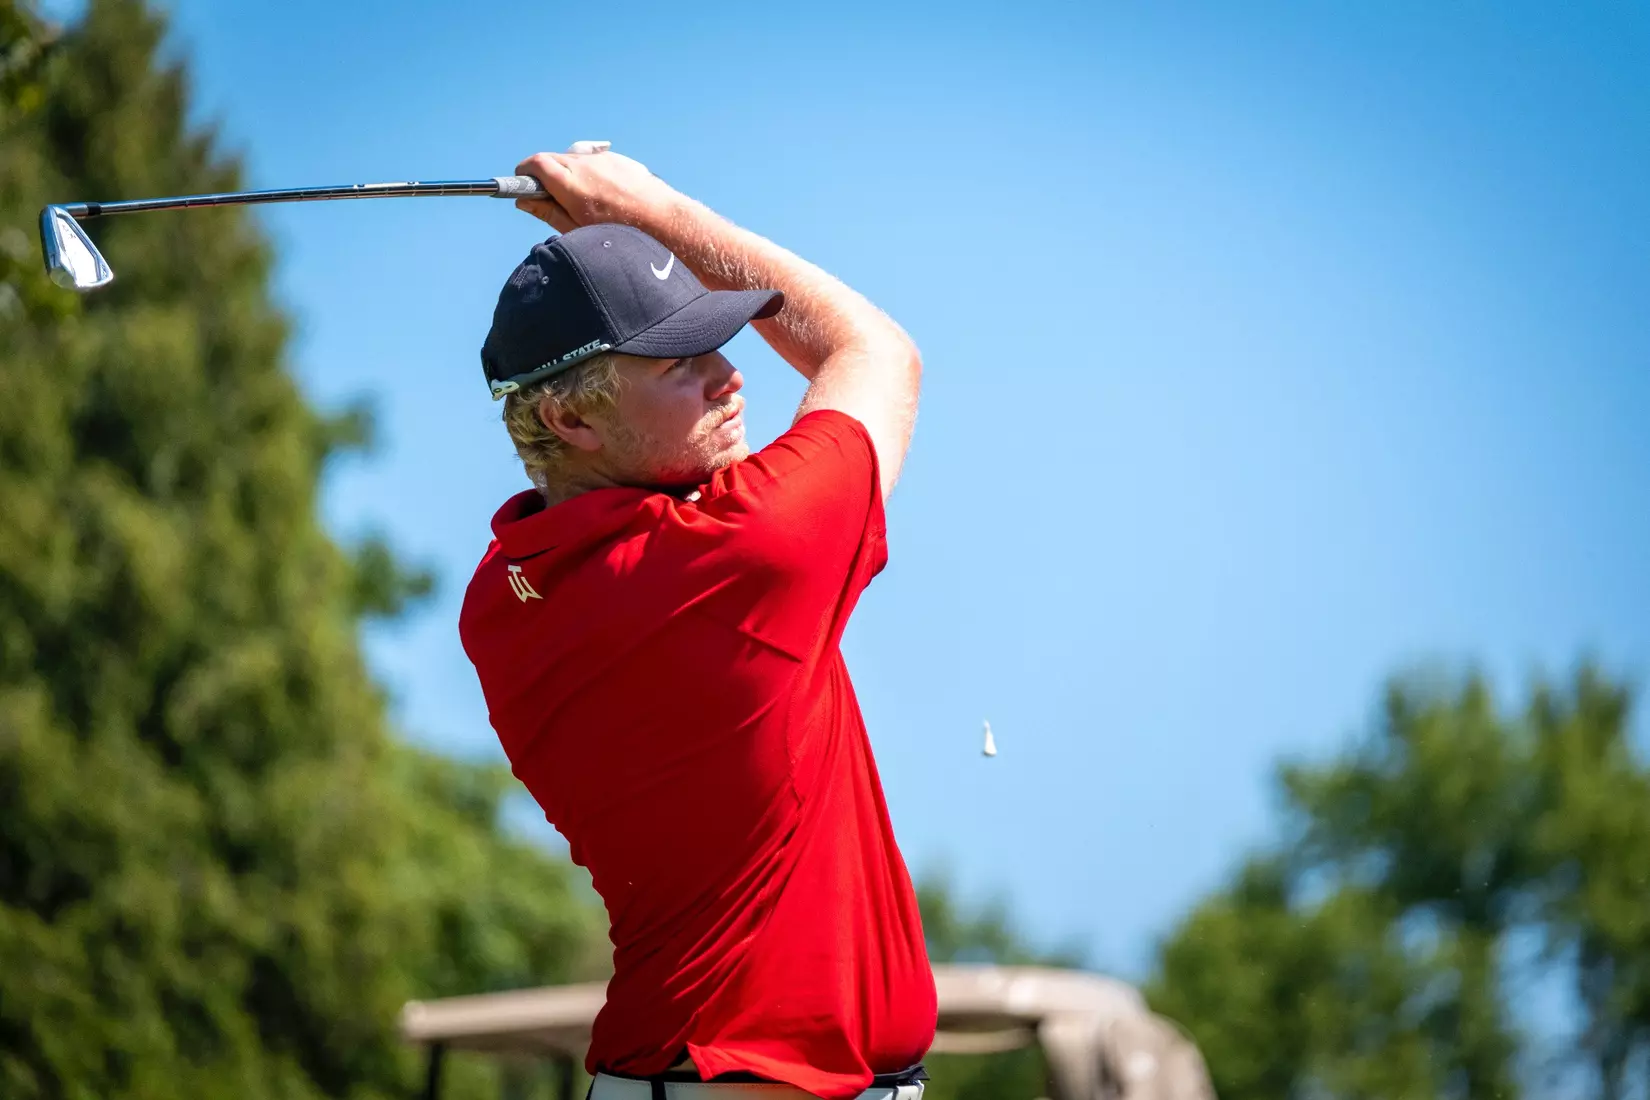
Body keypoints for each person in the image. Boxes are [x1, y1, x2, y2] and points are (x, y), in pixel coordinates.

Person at [458, 145, 935, 1100]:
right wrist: (658, 210)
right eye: (683, 363)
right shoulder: (743, 548)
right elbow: (877, 352)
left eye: (721, 345)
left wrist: (627, 252)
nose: (733, 377)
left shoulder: (500, 596)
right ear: (572, 421)